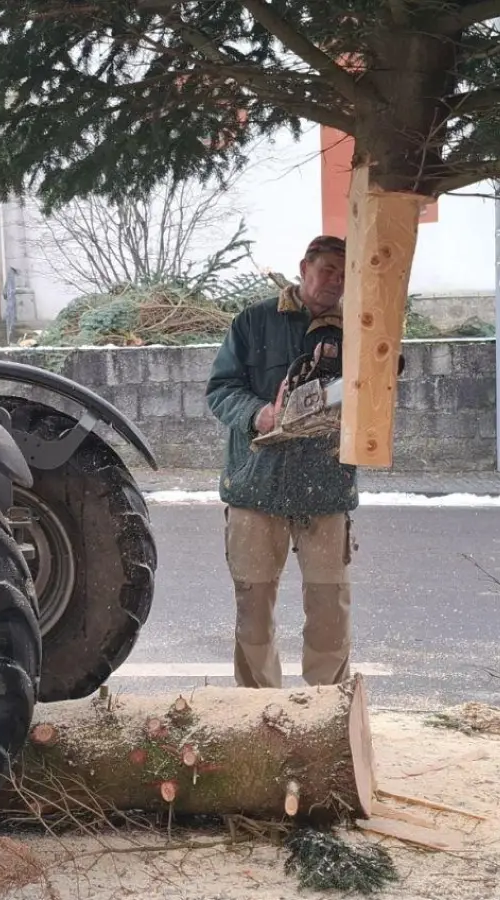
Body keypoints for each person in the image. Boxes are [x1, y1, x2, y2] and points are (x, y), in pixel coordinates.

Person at [204, 235, 357, 689]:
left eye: (345, 274)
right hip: (255, 487)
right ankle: (258, 710)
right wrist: (260, 414)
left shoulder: (358, 329)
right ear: (304, 268)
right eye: (327, 270)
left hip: (327, 487)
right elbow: (220, 390)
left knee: (330, 612)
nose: (336, 281)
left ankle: (326, 707)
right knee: (253, 610)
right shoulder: (254, 321)